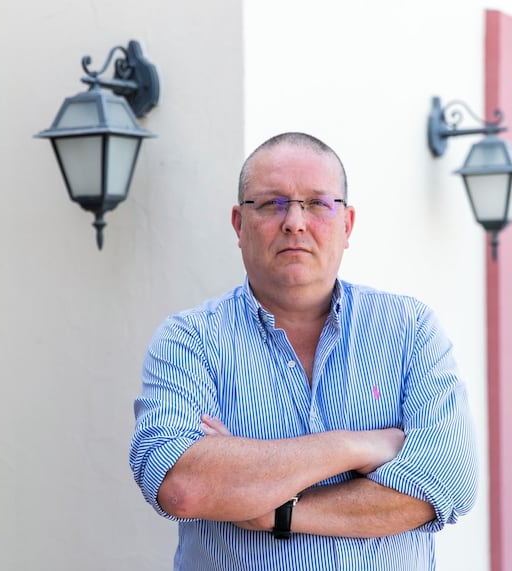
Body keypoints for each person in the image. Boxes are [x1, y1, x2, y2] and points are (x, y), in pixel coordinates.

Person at [129, 132, 477, 570]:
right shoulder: (189, 341)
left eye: (317, 203)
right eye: (272, 203)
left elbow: (446, 485)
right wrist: (359, 446)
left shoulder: (410, 330)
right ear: (239, 224)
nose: (294, 221)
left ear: (346, 225)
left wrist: (272, 509)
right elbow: (183, 485)